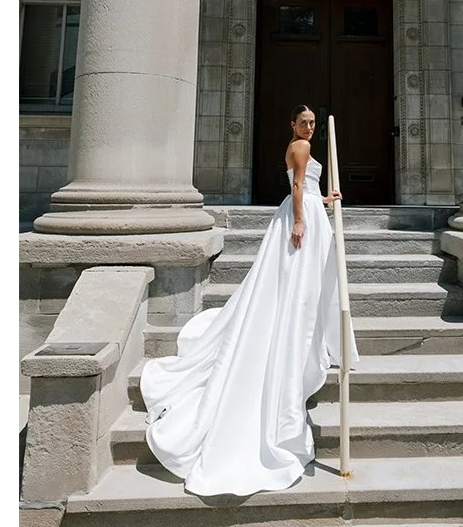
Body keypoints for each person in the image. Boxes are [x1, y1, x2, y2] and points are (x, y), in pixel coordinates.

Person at [139, 105, 360, 497]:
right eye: (304, 122)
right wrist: (300, 221)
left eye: (312, 123)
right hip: (300, 217)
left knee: (299, 284)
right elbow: (297, 187)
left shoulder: (300, 147)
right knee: (298, 285)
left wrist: (326, 199)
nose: (309, 127)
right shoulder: (301, 147)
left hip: (309, 209)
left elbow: (306, 188)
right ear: (292, 124)